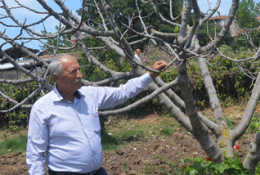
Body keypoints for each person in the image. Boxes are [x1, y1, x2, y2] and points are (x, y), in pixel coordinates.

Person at [26, 54, 167, 175]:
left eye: (79, 69)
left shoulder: (89, 95)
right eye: (73, 72)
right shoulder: (42, 108)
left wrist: (150, 75)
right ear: (57, 78)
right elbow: (35, 155)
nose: (80, 75)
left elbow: (121, 93)